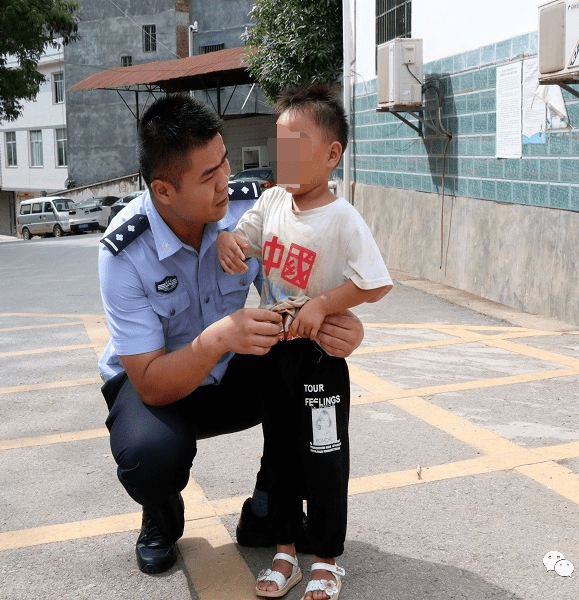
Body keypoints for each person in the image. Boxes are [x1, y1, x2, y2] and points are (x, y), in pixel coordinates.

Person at [96, 93, 365, 581]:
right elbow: (151, 382)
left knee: (312, 376)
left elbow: (298, 289)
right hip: (159, 384)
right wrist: (217, 339)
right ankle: (160, 515)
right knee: (149, 455)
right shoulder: (124, 252)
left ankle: (267, 508)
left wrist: (338, 322)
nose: (225, 181)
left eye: (224, 162)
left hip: (235, 370)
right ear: (163, 191)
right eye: (208, 176)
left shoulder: (251, 207)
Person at [216, 83, 392, 600]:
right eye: (281, 145)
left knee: (324, 458)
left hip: (320, 362)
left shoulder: (342, 218)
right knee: (280, 456)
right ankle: (285, 554)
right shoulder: (272, 201)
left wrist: (325, 304)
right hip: (274, 357)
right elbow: (241, 238)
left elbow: (375, 282)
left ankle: (327, 561)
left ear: (332, 154)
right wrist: (227, 240)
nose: (285, 156)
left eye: (298, 145)